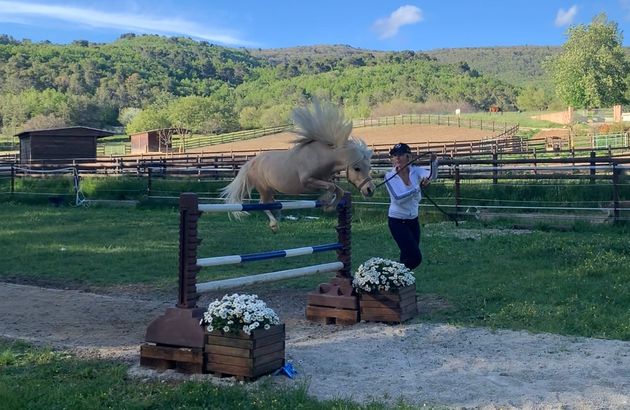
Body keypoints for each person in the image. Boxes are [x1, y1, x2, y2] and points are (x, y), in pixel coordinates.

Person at [384, 143, 438, 270]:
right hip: (397, 222)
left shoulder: (416, 171)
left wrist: (434, 163)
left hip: (413, 221)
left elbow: (432, 176)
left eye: (401, 155)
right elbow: (398, 198)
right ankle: (387, 273)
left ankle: (398, 284)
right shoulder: (389, 176)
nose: (397, 158)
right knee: (415, 258)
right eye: (395, 155)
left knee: (407, 256)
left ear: (409, 157)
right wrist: (417, 188)